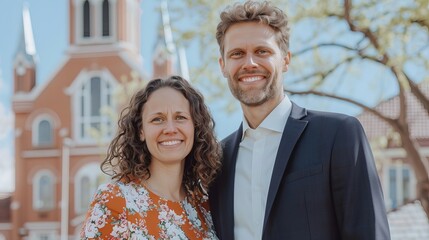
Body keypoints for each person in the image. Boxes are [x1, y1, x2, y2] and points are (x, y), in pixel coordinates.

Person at [209, 1, 391, 239]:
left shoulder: (338, 135)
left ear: (285, 60)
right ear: (223, 65)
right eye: (237, 54)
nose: (250, 63)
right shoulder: (217, 161)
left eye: (262, 51)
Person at [81, 76, 221, 239]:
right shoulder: (115, 201)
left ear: (195, 126)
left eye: (180, 117)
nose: (170, 129)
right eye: (157, 119)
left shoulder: (206, 206)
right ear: (141, 131)